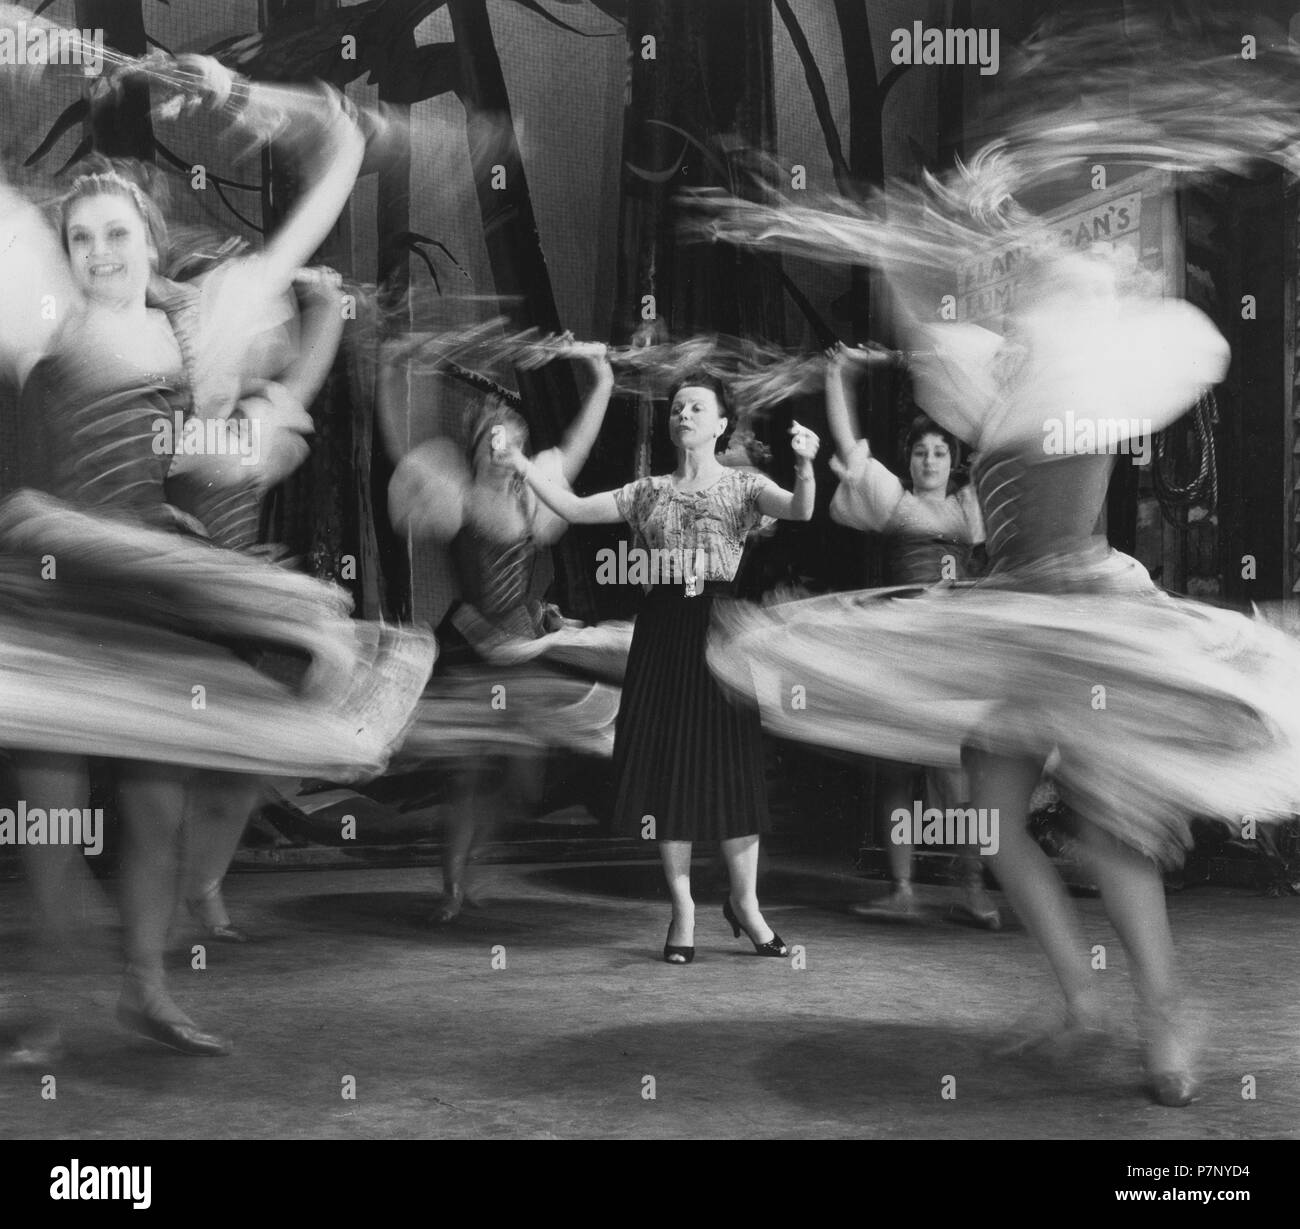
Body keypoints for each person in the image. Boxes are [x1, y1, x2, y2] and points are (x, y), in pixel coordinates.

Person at [0, 55, 432, 1058]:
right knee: (51, 829)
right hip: (61, 595)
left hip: (152, 599)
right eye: (81, 237)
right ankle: (58, 999)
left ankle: (145, 987)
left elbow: (306, 225)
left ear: (148, 241)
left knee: (154, 813)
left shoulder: (195, 332)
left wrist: (304, 125)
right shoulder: (43, 324)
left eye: (115, 233)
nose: (99, 250)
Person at [492, 370, 819, 964]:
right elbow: (569, 505)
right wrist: (519, 462)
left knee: (732, 770)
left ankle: (746, 904)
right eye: (678, 408)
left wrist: (803, 464)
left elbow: (799, 510)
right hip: (664, 631)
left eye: (697, 407)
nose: (684, 415)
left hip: (719, 634)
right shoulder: (647, 492)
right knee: (672, 771)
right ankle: (684, 907)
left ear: (721, 425)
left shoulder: (744, 486)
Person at [389, 339, 627, 921]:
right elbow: (402, 445)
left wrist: (602, 384)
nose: (504, 447)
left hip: (524, 648)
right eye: (494, 440)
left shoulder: (533, 492)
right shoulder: (458, 494)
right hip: (472, 645)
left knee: (519, 783)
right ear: (477, 447)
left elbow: (575, 448)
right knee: (469, 777)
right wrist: (392, 371)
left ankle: (470, 872)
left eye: (512, 439)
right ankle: (451, 886)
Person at [824, 344, 998, 927]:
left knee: (956, 773)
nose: (929, 459)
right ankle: (901, 888)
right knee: (898, 769)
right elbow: (849, 446)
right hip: (901, 650)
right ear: (909, 460)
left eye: (940, 451)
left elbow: (1000, 439)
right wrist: (839, 373)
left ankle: (970, 888)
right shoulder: (891, 502)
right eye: (920, 452)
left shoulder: (971, 509)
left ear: (954, 460)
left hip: (953, 651)